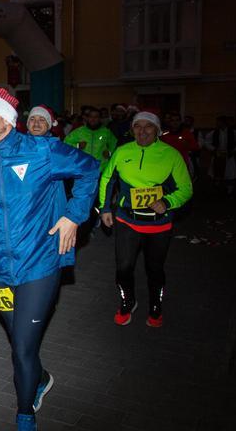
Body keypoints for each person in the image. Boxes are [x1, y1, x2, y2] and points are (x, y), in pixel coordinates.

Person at [0, 88, 99, 431]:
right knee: (20, 341)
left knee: (20, 348)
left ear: (7, 119)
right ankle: (41, 378)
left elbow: (90, 169)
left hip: (39, 264)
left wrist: (73, 216)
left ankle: (24, 416)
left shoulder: (41, 150)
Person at [100, 112, 193, 328]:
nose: (142, 131)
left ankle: (155, 306)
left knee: (155, 269)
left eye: (148, 126)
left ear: (157, 130)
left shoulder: (171, 155)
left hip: (158, 225)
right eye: (137, 126)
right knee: (123, 268)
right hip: (127, 221)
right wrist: (105, 208)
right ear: (132, 129)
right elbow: (107, 178)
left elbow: (186, 188)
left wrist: (168, 202)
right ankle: (127, 301)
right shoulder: (123, 151)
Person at [65, 106, 118, 172]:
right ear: (87, 118)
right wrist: (77, 146)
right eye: (90, 116)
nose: (93, 119)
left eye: (96, 117)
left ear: (100, 119)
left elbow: (115, 145)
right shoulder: (79, 132)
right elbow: (66, 143)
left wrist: (109, 153)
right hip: (82, 168)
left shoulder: (106, 132)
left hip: (101, 169)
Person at [203, 116, 236, 195]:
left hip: (229, 156)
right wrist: (214, 150)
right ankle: (218, 189)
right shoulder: (214, 133)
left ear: (224, 122)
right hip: (217, 156)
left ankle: (229, 190)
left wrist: (234, 150)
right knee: (216, 173)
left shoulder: (234, 132)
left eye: (219, 122)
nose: (218, 124)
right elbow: (206, 142)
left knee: (230, 174)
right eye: (217, 122)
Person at [160, 112, 199, 176]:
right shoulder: (164, 134)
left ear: (180, 121)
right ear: (169, 122)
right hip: (168, 164)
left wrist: (187, 145)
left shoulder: (187, 133)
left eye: (177, 120)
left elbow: (196, 147)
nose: (175, 122)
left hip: (183, 164)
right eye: (172, 120)